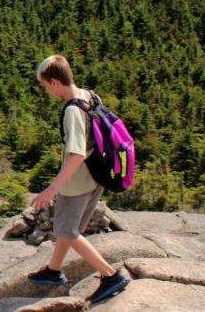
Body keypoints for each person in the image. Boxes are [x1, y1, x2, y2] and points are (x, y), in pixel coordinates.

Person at [27, 55, 131, 304]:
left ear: (54, 82)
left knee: (67, 230)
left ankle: (111, 276)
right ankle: (53, 271)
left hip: (78, 182)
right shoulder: (90, 96)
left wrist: (51, 190)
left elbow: (76, 154)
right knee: (70, 230)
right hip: (98, 176)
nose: (47, 91)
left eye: (45, 86)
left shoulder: (73, 109)